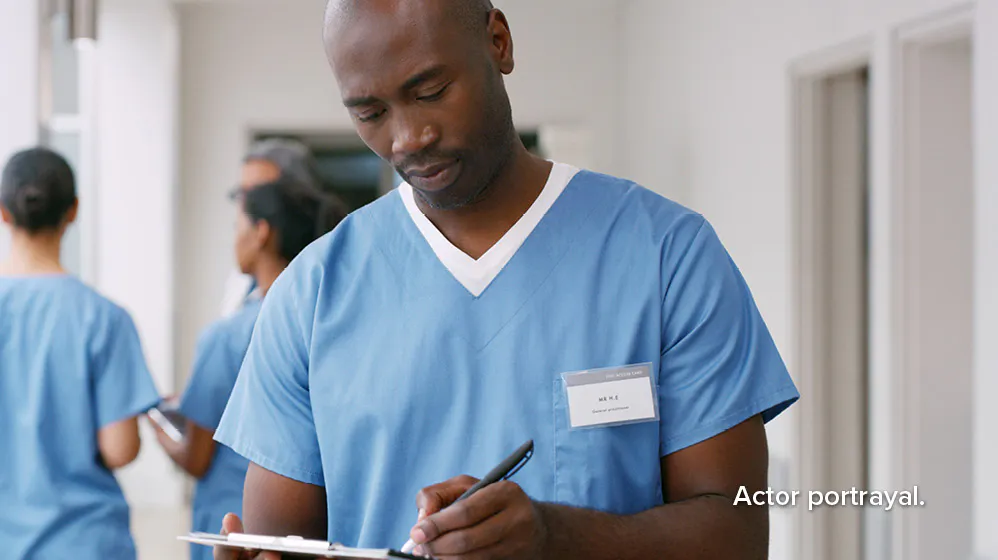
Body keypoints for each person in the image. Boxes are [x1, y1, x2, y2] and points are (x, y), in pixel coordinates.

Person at [212, 1, 800, 559]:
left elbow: (737, 531)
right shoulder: (311, 296)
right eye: (370, 113)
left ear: (498, 41)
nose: (408, 137)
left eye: (431, 91)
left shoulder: (668, 257)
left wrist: (558, 539)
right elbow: (279, 541)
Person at [154, 175, 345, 560]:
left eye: (236, 226)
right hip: (314, 528)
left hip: (238, 533)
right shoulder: (331, 323)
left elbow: (196, 458)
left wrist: (158, 424)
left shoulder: (226, 336)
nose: (233, 239)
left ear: (261, 233)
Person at [0, 147, 160, 559]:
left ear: (3, 212)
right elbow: (119, 449)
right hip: (82, 544)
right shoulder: (104, 318)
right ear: (72, 211)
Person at [220, 138, 349, 317]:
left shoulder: (330, 268)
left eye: (259, 193)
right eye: (243, 195)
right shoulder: (241, 280)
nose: (248, 206)